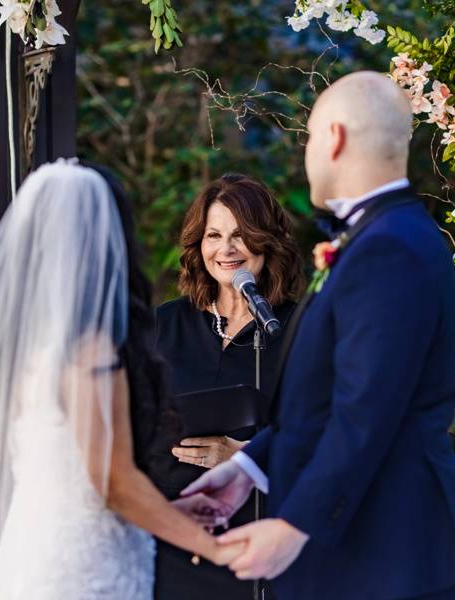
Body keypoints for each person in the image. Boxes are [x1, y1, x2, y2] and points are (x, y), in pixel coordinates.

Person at [181, 72, 455, 599]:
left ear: (335, 137)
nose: (307, 154)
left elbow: (365, 410)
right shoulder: (383, 235)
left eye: (310, 138)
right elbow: (324, 400)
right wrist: (250, 467)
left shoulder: (390, 248)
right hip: (367, 555)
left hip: (385, 555)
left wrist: (294, 525)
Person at [0, 161, 241, 600]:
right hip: (84, 568)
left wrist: (173, 511)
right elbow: (112, 481)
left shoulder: (30, 348)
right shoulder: (90, 351)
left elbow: (68, 473)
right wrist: (217, 549)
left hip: (33, 551)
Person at [150, 173, 305, 599]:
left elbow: (323, 434)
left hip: (260, 548)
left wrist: (240, 457)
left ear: (266, 241)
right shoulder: (167, 323)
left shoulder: (299, 328)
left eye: (241, 235)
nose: (226, 249)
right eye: (213, 235)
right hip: (175, 543)